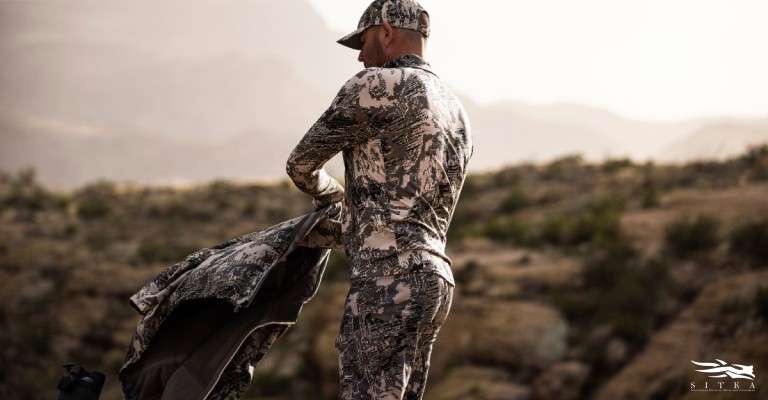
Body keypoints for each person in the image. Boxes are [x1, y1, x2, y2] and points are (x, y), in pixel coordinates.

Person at [286, 0, 473, 398]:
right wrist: (329, 234)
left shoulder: (375, 86)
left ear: (386, 32)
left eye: (363, 40)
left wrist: (333, 195)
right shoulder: (456, 110)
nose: (359, 54)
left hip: (387, 282)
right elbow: (403, 218)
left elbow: (300, 164)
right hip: (434, 281)